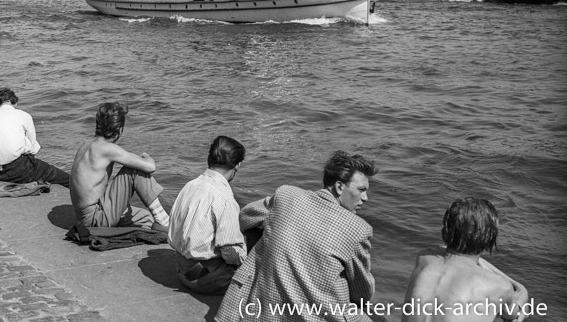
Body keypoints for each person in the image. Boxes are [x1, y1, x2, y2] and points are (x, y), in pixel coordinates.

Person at [216, 150, 379, 322]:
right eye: (361, 190)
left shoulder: (286, 195)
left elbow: (246, 216)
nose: (365, 198)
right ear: (339, 187)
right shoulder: (358, 229)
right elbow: (362, 294)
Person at [401, 198, 529, 322]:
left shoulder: (425, 257)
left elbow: (448, 251)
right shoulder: (500, 286)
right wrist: (522, 290)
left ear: (447, 229)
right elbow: (513, 315)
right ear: (490, 237)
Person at [70, 102, 170, 232]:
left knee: (147, 217)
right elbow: (150, 166)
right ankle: (166, 222)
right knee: (133, 170)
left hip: (83, 217)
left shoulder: (86, 144)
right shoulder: (106, 148)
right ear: (120, 130)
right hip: (95, 219)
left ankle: (161, 224)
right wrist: (146, 156)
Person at [168, 135, 246, 295]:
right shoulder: (224, 198)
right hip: (206, 278)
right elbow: (229, 251)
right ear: (237, 165)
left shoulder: (190, 185)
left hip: (182, 271)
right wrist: (246, 258)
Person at [0, 88, 70, 186]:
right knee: (61, 176)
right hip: (19, 170)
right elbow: (33, 149)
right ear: (15, 103)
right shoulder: (24, 115)